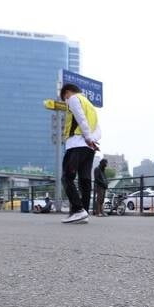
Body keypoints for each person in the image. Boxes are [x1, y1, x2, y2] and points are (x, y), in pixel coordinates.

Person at [60, 83, 101, 224]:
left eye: (64, 98)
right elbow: (99, 130)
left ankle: (78, 210)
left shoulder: (73, 99)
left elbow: (80, 118)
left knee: (67, 177)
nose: (66, 101)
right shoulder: (90, 105)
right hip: (89, 149)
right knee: (85, 180)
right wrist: (92, 141)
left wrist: (88, 138)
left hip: (76, 144)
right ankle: (83, 213)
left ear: (67, 93)